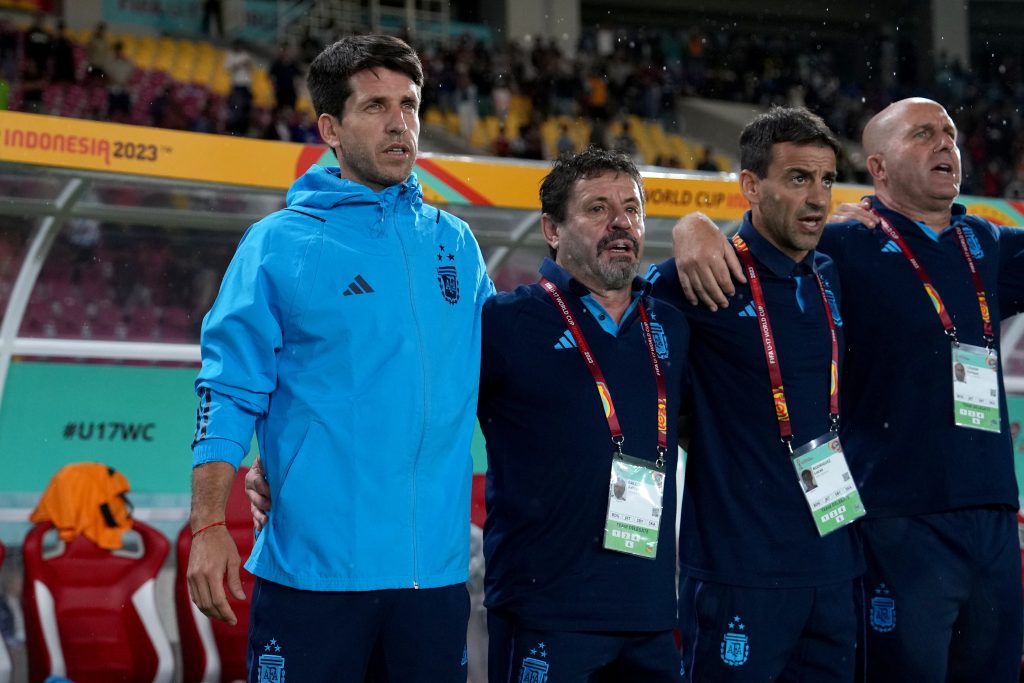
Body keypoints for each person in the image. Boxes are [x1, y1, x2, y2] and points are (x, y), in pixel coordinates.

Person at [247, 148, 689, 682]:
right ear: (552, 230)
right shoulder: (504, 322)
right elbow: (405, 400)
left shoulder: (672, 323)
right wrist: (283, 462)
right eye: (597, 208)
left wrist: (696, 228)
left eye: (632, 208)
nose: (620, 222)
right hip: (544, 612)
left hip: (649, 615)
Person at [671, 97, 1024, 682]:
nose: (945, 143)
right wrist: (695, 227)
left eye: (949, 133)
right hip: (894, 519)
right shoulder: (840, 245)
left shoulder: (986, 243)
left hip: (992, 515)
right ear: (878, 168)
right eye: (923, 134)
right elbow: (756, 245)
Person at [187, 34, 493, 682]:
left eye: (409, 105)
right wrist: (209, 523)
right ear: (330, 128)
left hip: (433, 578)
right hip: (314, 576)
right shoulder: (278, 244)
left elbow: (509, 376)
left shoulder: (456, 244)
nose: (400, 123)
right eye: (375, 106)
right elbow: (228, 388)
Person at [648, 106, 862, 682]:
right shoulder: (698, 278)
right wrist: (690, 223)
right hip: (739, 570)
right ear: (750, 185)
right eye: (798, 178)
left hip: (833, 564)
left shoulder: (831, 273)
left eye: (827, 180)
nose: (817, 198)